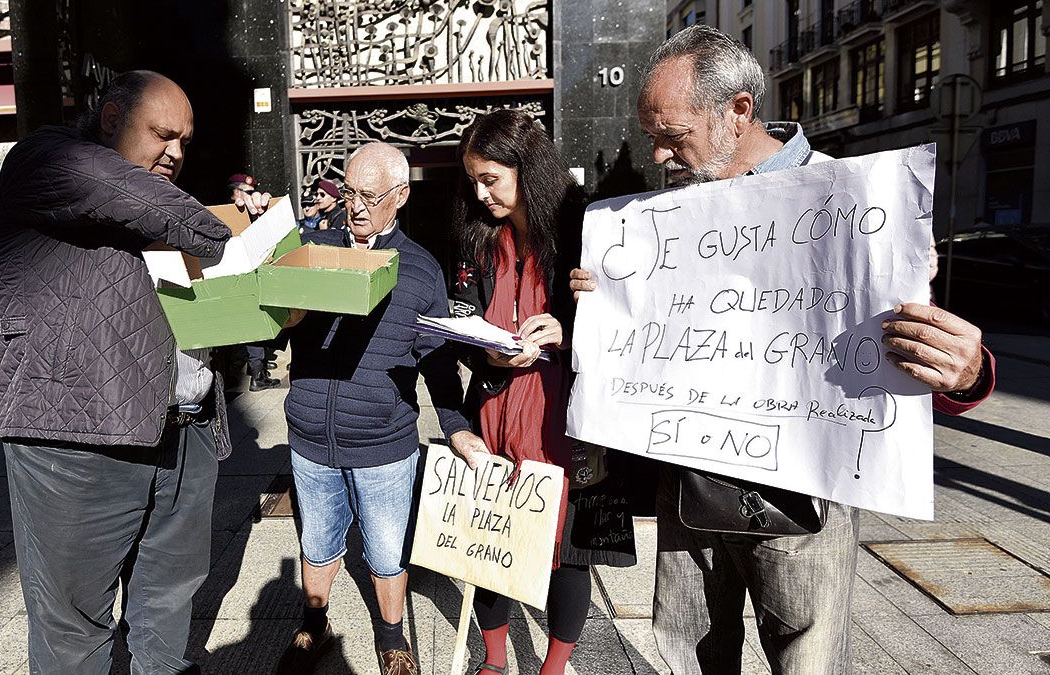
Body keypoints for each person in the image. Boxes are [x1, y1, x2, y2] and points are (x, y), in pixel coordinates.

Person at [569, 26, 996, 674]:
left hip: (803, 501)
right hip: (689, 488)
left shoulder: (856, 199)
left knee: (806, 662)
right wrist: (604, 300)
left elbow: (913, 343)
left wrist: (966, 373)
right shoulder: (665, 212)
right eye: (651, 135)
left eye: (672, 134)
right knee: (685, 653)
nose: (657, 154)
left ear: (738, 111)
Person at [0, 70, 266, 673]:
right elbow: (159, 209)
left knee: (167, 610)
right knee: (73, 631)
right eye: (163, 135)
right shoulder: (50, 158)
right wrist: (238, 231)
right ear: (111, 118)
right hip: (78, 442)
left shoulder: (150, 200)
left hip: (183, 431)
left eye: (185, 141)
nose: (176, 152)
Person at [235, 142, 488, 675]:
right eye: (349, 193)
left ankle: (393, 641)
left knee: (386, 553)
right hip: (311, 439)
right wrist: (279, 312)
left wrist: (456, 426)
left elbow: (437, 359)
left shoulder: (420, 269)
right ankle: (314, 625)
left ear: (401, 196)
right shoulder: (312, 251)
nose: (355, 207)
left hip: (384, 445)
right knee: (317, 543)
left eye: (370, 196)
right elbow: (267, 329)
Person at [450, 108, 638, 675]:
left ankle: (553, 667)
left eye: (490, 179)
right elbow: (459, 317)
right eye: (473, 180)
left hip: (568, 416)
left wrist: (568, 330)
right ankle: (494, 658)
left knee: (568, 552)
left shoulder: (585, 227)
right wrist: (482, 350)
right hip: (495, 408)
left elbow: (631, 318)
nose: (480, 194)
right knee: (491, 536)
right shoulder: (478, 237)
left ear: (525, 168)